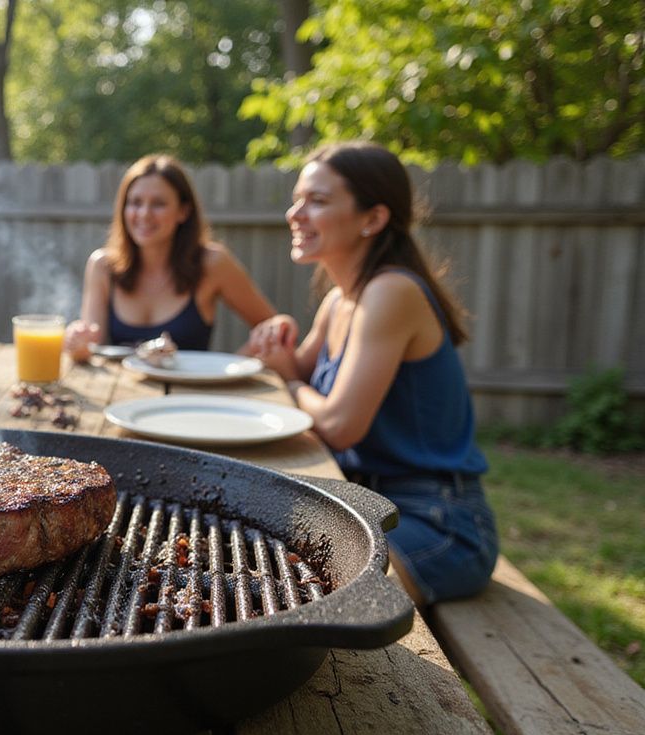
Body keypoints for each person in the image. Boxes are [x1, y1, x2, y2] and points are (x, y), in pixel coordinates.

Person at [246, 141, 497, 605]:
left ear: (373, 219)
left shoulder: (391, 292)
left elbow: (339, 425)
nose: (294, 213)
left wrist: (292, 380)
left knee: (297, 587)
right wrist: (282, 344)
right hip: (366, 503)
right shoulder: (343, 296)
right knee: (259, 558)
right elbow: (299, 368)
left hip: (438, 522)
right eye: (298, 198)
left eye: (317, 201)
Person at [63, 154, 278, 362]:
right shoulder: (102, 266)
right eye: (135, 202)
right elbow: (90, 349)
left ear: (183, 211)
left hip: (192, 396)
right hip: (125, 395)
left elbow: (274, 328)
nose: (144, 214)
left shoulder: (213, 263)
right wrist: (78, 343)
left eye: (158, 204)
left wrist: (228, 371)